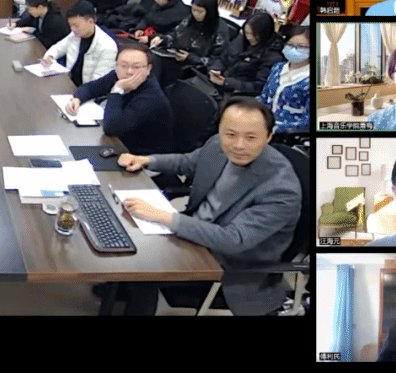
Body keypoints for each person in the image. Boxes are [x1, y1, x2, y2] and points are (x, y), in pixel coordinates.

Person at [102, 97, 302, 315]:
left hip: (232, 264)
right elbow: (188, 162)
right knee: (126, 232)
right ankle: (119, 290)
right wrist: (147, 160)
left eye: (251, 137)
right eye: (230, 134)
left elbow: (232, 240)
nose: (238, 145)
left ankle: (132, 298)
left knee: (145, 268)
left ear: (269, 136)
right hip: (196, 231)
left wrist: (164, 216)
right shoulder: (218, 144)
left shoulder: (281, 188)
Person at [65, 43, 174, 155]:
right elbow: (90, 88)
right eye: (123, 65)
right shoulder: (117, 76)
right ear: (116, 65)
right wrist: (77, 98)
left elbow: (112, 128)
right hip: (121, 144)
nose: (129, 71)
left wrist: (117, 90)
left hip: (143, 157)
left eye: (136, 67)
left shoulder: (152, 98)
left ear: (148, 69)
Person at [148, 0, 229, 89]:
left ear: (210, 12)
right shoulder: (190, 20)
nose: (195, 14)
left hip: (195, 68)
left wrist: (190, 57)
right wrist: (162, 39)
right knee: (152, 59)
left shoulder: (220, 29)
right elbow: (175, 35)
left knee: (161, 69)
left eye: (200, 11)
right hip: (177, 57)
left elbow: (218, 60)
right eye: (193, 10)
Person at [41, 1, 118, 87]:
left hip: (85, 90)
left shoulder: (107, 46)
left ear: (91, 21)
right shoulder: (75, 35)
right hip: (69, 82)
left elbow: (98, 83)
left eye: (76, 26)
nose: (73, 29)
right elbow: (58, 48)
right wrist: (50, 56)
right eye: (71, 26)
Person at [207, 12, 284, 98]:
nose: (249, 37)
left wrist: (227, 82)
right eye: (247, 33)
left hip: (240, 95)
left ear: (264, 34)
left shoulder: (273, 56)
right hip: (222, 83)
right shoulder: (241, 40)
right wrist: (216, 69)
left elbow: (259, 86)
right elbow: (222, 57)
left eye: (254, 35)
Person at [257, 26, 310, 133]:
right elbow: (264, 97)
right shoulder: (278, 67)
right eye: (290, 45)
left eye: (301, 46)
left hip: (287, 134)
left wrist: (276, 128)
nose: (294, 49)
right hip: (262, 125)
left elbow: (308, 120)